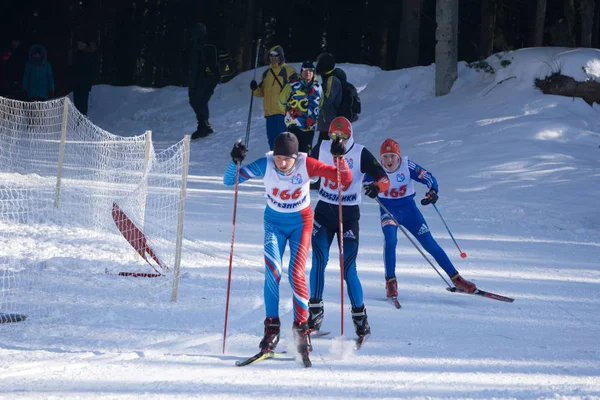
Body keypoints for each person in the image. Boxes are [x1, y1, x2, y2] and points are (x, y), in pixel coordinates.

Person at [223, 131, 351, 366]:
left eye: (287, 159)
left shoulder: (306, 164)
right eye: (279, 158)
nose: (282, 163)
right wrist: (235, 161)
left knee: (295, 273)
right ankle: (271, 329)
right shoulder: (266, 164)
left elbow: (343, 179)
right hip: (273, 223)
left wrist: (338, 158)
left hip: (301, 223)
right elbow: (230, 180)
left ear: (296, 157)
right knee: (273, 273)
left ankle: (301, 330)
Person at [307, 116, 390, 340]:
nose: (338, 140)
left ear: (350, 136)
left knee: (348, 267)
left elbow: (383, 178)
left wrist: (376, 187)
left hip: (349, 214)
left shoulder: (360, 152)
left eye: (342, 137)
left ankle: (360, 318)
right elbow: (303, 169)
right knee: (319, 259)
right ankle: (314, 314)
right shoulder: (322, 147)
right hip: (324, 211)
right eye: (334, 136)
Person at [369, 138, 476, 299]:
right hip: (388, 210)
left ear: (398, 156)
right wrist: (370, 188)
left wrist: (433, 191)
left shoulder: (406, 165)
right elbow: (359, 181)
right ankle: (390, 281)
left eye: (392, 156)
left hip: (409, 210)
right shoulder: (376, 168)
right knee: (390, 240)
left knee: (429, 243)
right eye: (385, 156)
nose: (389, 160)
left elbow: (428, 177)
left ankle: (456, 278)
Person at [249, 45, 296, 150]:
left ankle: (286, 163)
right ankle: (274, 161)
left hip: (283, 113)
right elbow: (261, 92)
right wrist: (254, 88)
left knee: (283, 140)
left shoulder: (288, 70)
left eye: (276, 55)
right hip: (270, 113)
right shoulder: (267, 73)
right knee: (272, 140)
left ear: (281, 56)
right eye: (271, 55)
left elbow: (296, 88)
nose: (273, 58)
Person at [278, 60, 322, 154]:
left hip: (309, 127)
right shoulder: (292, 85)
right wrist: (287, 113)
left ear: (313, 72)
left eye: (310, 70)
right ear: (301, 71)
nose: (307, 72)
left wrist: (316, 118)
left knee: (305, 155)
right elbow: (281, 101)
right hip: (294, 125)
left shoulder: (318, 87)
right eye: (305, 70)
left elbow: (321, 104)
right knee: (292, 153)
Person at [188, 22, 219, 140]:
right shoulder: (210, 44)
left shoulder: (198, 45)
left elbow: (195, 66)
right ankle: (204, 125)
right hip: (212, 79)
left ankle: (204, 126)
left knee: (196, 101)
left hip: (201, 79)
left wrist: (192, 83)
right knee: (202, 101)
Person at [315, 52, 342, 148]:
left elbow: (328, 99)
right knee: (322, 149)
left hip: (331, 123)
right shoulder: (328, 79)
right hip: (327, 123)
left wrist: (316, 94)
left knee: (324, 149)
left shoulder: (331, 79)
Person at [72, 39, 97, 116]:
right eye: (79, 44)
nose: (80, 46)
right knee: (77, 104)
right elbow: (73, 70)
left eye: (82, 44)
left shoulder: (89, 56)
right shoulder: (75, 55)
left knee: (83, 104)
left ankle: (82, 121)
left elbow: (91, 71)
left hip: (84, 84)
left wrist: (89, 84)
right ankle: (77, 121)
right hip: (76, 84)